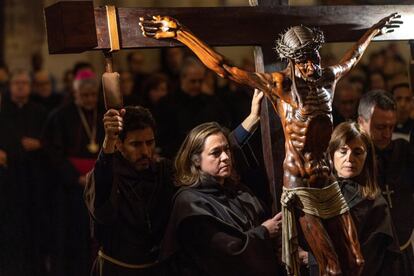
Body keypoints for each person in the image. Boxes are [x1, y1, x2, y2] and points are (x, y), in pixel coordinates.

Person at [140, 12, 402, 275]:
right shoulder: (280, 86)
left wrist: (373, 32)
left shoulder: (327, 79)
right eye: (304, 61)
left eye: (315, 57)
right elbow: (224, 67)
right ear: (291, 60)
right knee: (330, 268)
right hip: (301, 187)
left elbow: (354, 55)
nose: (312, 66)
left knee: (356, 262)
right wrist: (181, 33)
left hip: (327, 182)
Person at [161, 93, 282, 275]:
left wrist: (253, 118)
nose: (225, 157)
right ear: (195, 160)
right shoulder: (190, 204)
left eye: (226, 150)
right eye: (215, 153)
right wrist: (264, 232)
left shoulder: (237, 191)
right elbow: (223, 254)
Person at [84, 106, 175, 276]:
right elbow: (102, 210)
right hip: (116, 269)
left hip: (156, 268)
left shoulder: (163, 170)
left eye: (150, 142)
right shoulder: (106, 174)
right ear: (119, 144)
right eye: (136, 144)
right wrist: (108, 141)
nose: (146, 152)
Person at [309, 121, 400, 276]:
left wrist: (312, 259)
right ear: (331, 154)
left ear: (367, 157)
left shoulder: (375, 204)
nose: (349, 159)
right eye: (343, 151)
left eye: (357, 152)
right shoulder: (318, 193)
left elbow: (370, 259)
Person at [42, 68, 104, 276]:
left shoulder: (105, 115)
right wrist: (75, 178)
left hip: (99, 184)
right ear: (75, 94)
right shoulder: (59, 116)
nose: (89, 99)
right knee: (71, 235)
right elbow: (53, 152)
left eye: (92, 95)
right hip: (70, 190)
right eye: (84, 95)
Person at [358, 90, 414, 275]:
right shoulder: (351, 160)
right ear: (361, 122)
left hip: (403, 248)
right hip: (369, 256)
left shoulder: (404, 152)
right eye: (380, 127)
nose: (387, 134)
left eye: (391, 127)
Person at [0, 69, 48, 276]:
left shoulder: (40, 111)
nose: (20, 86)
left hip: (33, 177)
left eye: (24, 83)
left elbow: (51, 140)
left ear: (30, 87)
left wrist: (40, 144)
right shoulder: (2, 111)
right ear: (10, 86)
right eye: (17, 83)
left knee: (33, 226)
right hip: (8, 178)